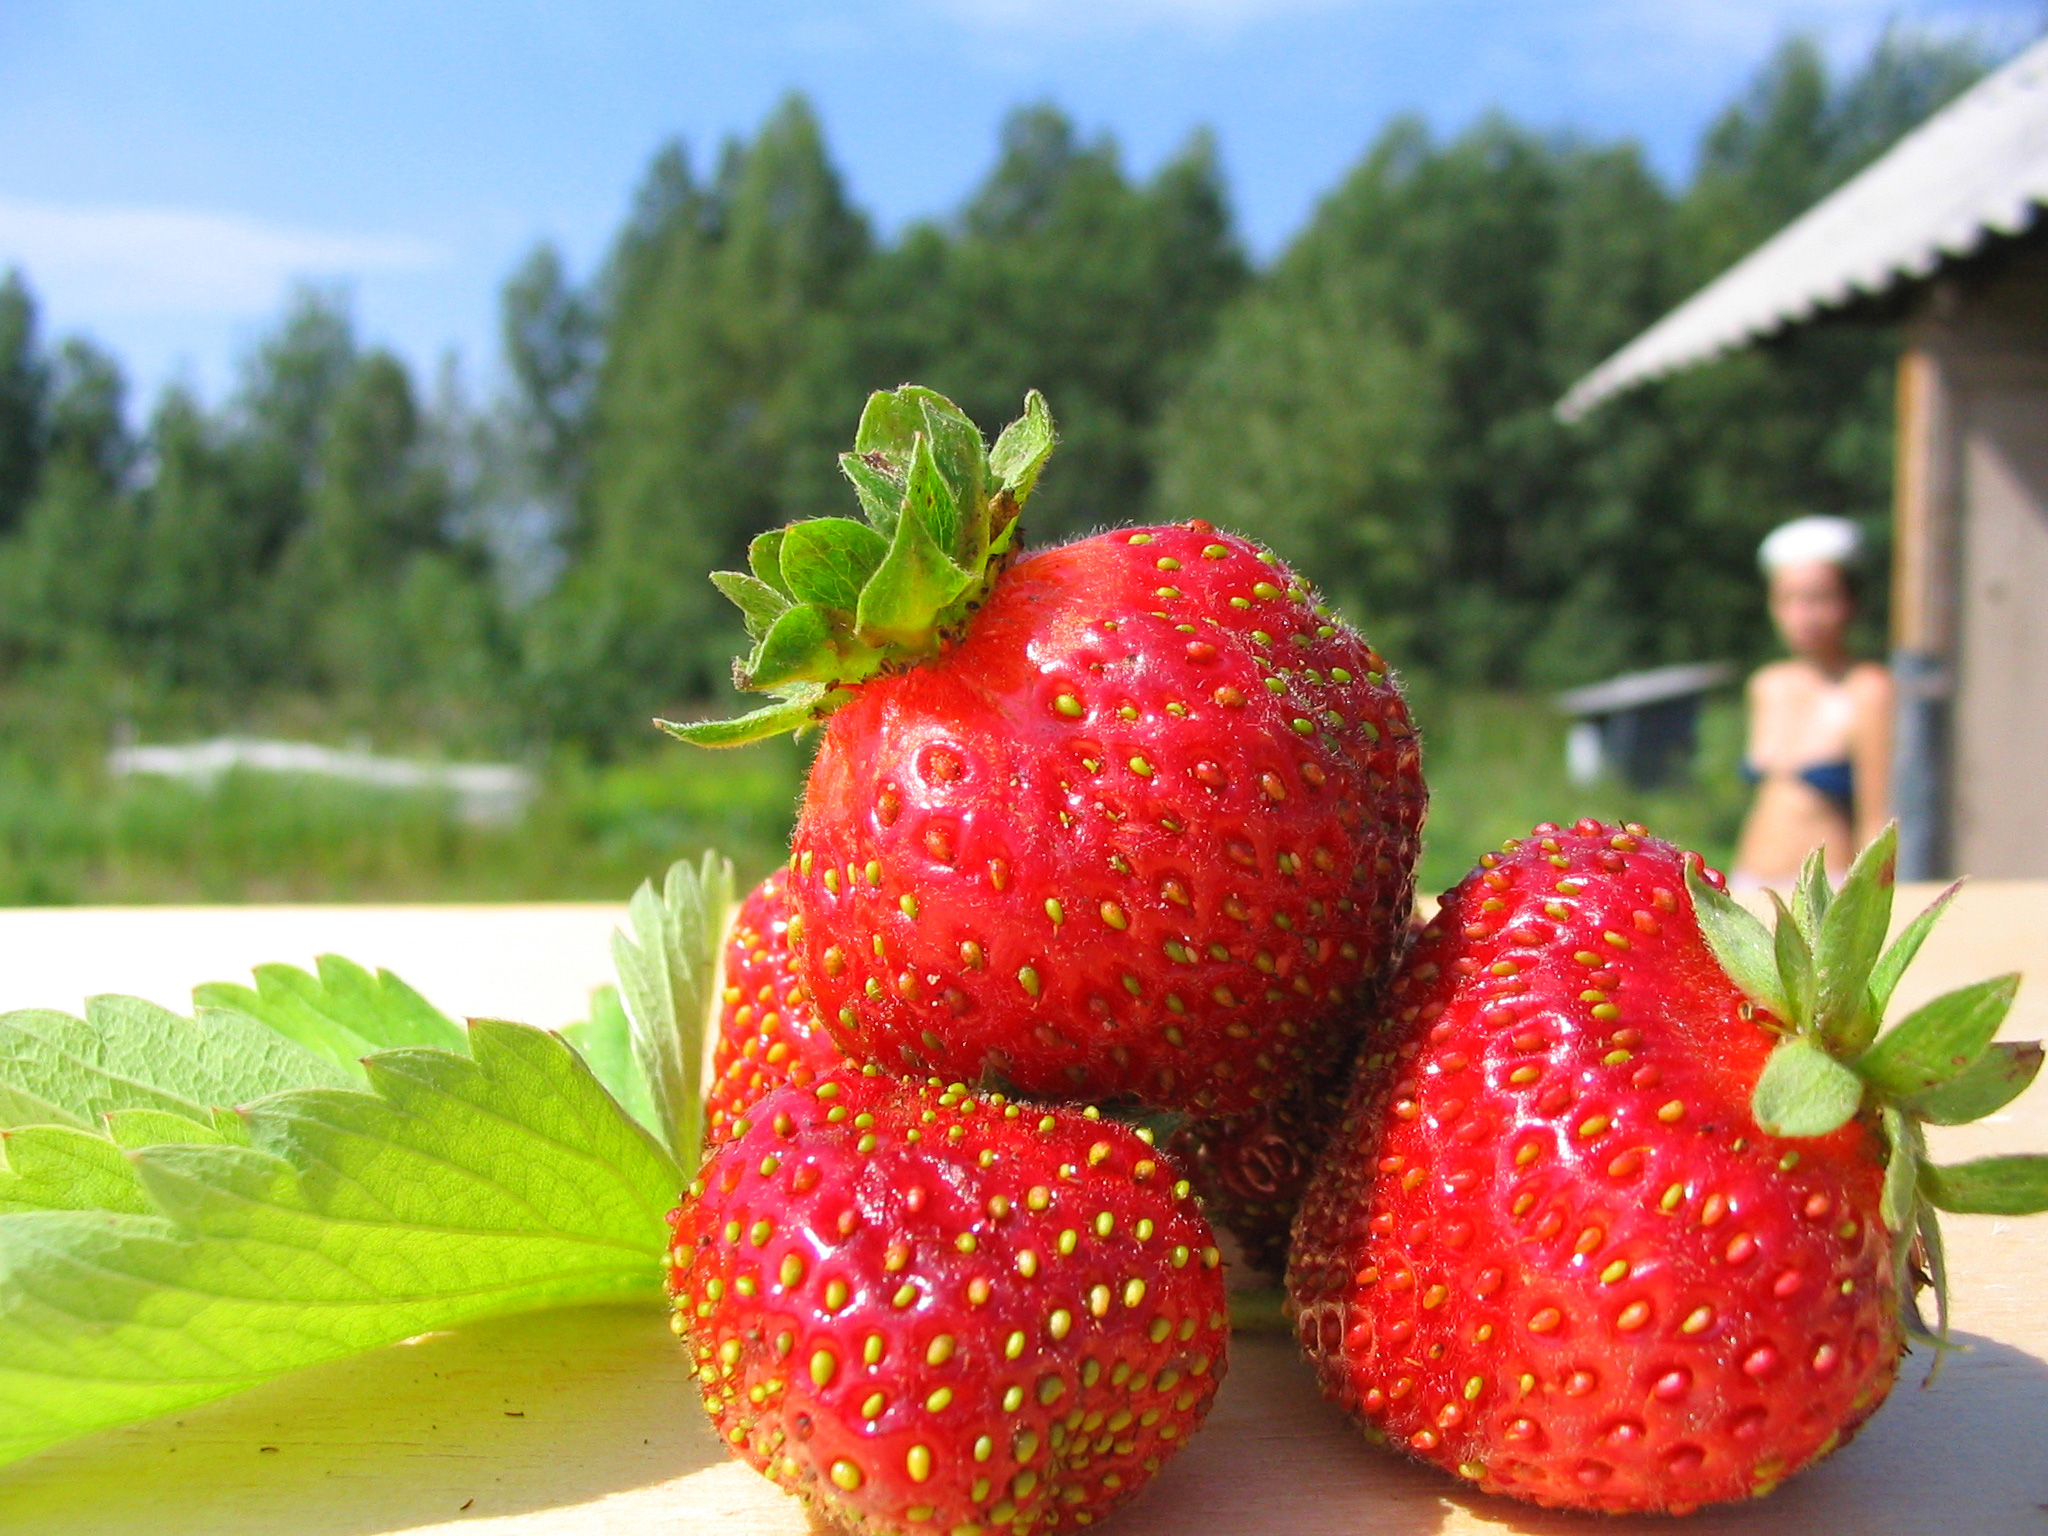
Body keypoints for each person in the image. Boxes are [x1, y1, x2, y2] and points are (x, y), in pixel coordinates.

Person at [1732, 516, 1892, 888]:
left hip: (1827, 885)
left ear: (1850, 602)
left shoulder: (1868, 688)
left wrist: (1872, 895)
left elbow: (1877, 815)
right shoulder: (1766, 685)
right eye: (1788, 600)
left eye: (1819, 598)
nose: (1803, 616)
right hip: (1749, 877)